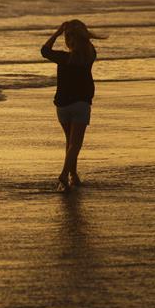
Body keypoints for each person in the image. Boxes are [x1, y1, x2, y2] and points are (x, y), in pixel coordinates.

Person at [41, 19, 103, 192]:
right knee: (75, 145)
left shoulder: (63, 58)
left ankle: (73, 176)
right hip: (81, 104)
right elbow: (85, 45)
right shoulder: (89, 55)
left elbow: (44, 51)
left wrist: (58, 31)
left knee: (70, 143)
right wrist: (77, 30)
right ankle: (64, 174)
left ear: (68, 40)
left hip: (62, 105)